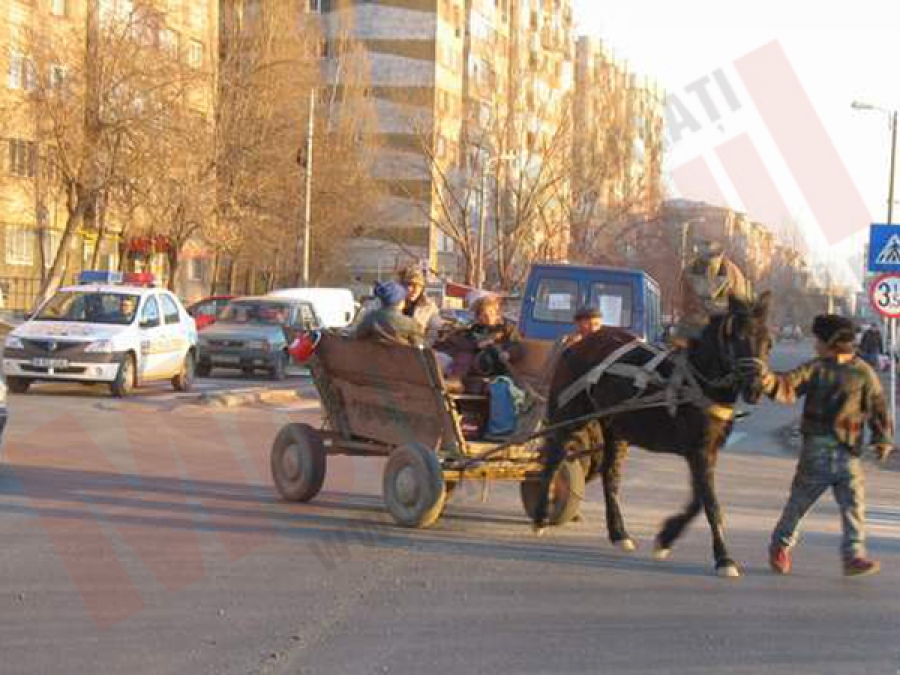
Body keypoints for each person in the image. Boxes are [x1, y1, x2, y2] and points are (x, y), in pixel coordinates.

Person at [760, 314, 893, 577]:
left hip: (848, 453)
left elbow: (878, 407)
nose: (815, 345)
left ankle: (853, 556)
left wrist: (882, 439)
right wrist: (765, 379)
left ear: (832, 342)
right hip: (816, 451)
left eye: (819, 340)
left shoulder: (862, 372)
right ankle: (780, 546)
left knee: (854, 504)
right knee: (798, 504)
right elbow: (787, 386)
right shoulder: (816, 369)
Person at [675, 239, 752, 344]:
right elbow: (742, 305)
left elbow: (682, 302)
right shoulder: (734, 272)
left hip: (694, 329)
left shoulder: (688, 270)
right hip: (725, 332)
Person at [353, 281, 423, 347]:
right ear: (401, 302)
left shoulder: (370, 318)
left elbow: (356, 337)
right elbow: (419, 348)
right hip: (401, 359)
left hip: (373, 359)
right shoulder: (410, 324)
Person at [398, 266, 441, 345]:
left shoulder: (429, 306)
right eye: (411, 285)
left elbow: (433, 333)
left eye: (419, 286)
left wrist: (422, 348)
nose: (415, 290)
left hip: (416, 351)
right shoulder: (392, 302)